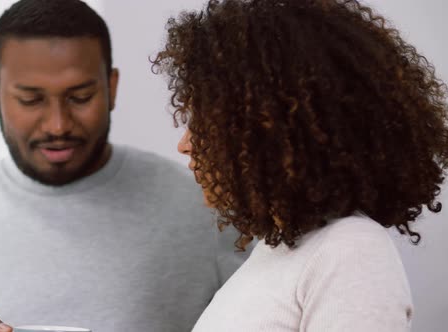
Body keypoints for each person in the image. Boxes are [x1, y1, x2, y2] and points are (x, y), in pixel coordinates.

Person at [0, 1, 247, 332]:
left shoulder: (207, 208)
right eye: (31, 100)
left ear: (112, 87)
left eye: (80, 97)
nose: (58, 125)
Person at [153, 0, 448, 330]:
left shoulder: (351, 252)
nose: (185, 144)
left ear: (270, 129)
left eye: (204, 122)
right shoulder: (277, 250)